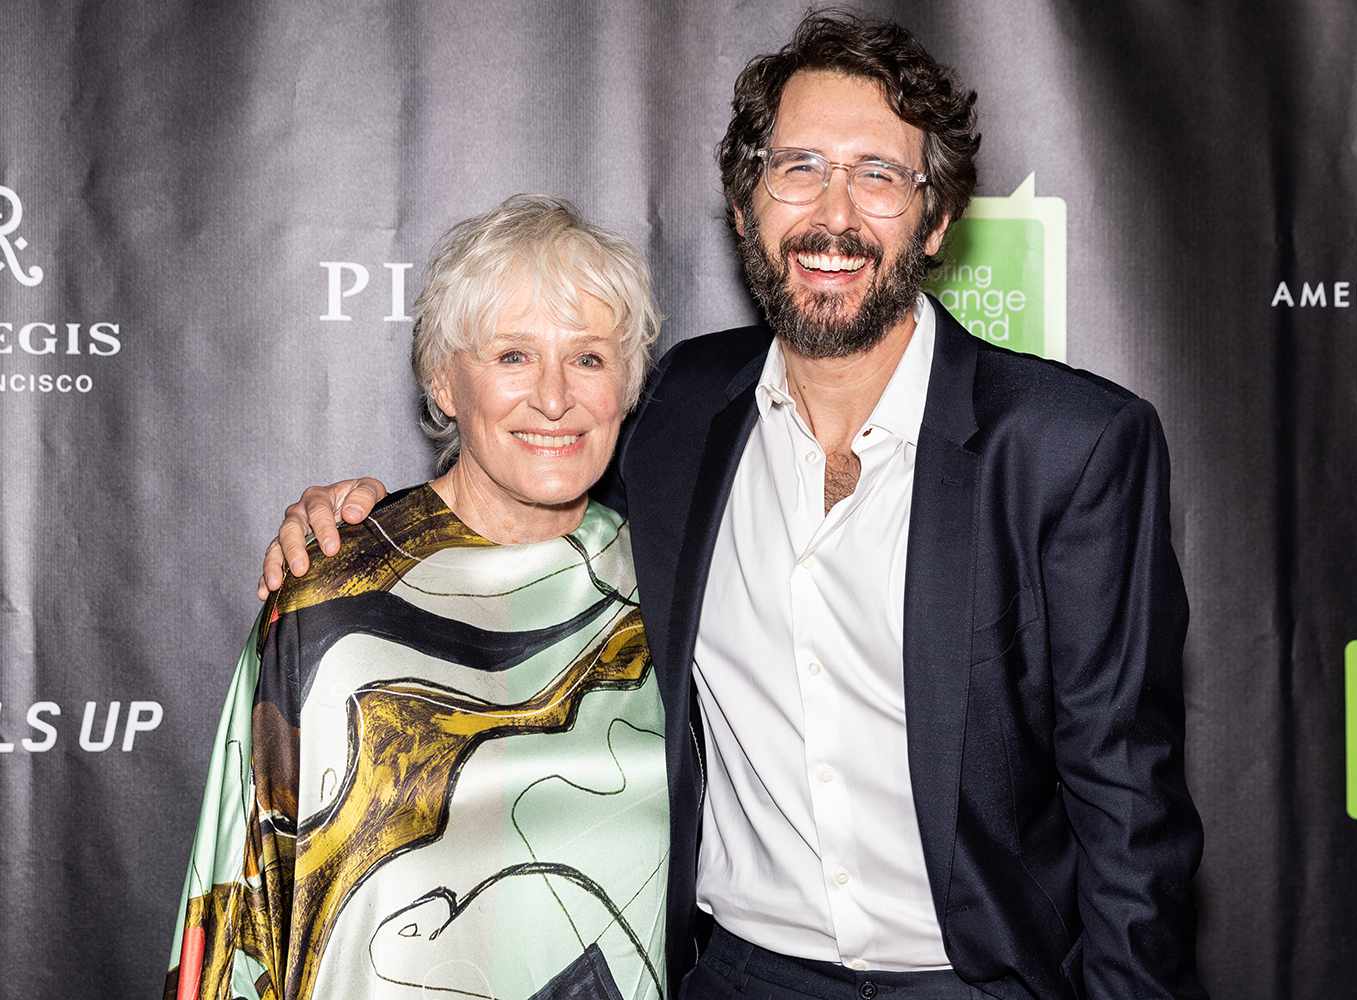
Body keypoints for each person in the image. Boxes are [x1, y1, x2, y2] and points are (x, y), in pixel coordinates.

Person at [261, 12, 1206, 1000]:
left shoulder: (1071, 446)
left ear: (933, 221)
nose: (832, 214)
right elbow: (530, 493)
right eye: (799, 167)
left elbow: (1128, 810)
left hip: (975, 981)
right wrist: (374, 520)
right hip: (740, 976)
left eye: (878, 175)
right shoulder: (678, 409)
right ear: (748, 203)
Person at [165, 195, 669, 1000]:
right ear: (443, 380)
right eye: (511, 356)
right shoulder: (328, 597)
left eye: (588, 358)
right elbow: (239, 906)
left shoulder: (672, 590)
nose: (553, 397)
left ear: (628, 383)